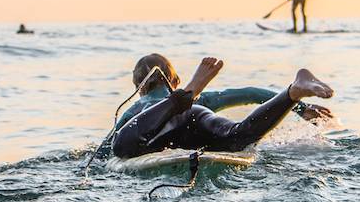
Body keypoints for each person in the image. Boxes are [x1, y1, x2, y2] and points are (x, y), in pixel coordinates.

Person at [112, 54, 333, 159]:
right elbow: (251, 93)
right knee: (238, 136)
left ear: (139, 87)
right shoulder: (204, 100)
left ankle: (180, 99)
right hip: (195, 115)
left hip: (158, 125)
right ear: (174, 80)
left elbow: (106, 152)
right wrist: (300, 108)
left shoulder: (135, 110)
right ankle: (293, 91)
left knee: (120, 146)